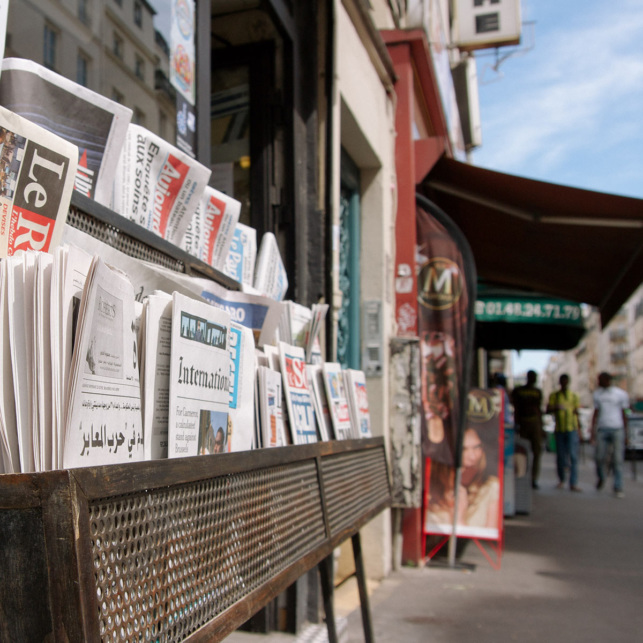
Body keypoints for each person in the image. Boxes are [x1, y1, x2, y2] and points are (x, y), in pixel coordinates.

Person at [591, 372, 630, 497]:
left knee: (617, 460)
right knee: (599, 457)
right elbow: (595, 413)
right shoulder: (597, 394)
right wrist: (592, 431)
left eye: (600, 380)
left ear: (607, 380)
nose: (598, 382)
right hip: (602, 429)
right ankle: (601, 477)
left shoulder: (620, 394)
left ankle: (618, 486)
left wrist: (626, 433)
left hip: (617, 428)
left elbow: (624, 414)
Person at [546, 374, 581, 492]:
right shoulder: (554, 396)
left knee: (573, 456)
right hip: (559, 429)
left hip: (572, 428)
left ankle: (573, 482)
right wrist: (555, 407)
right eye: (562, 381)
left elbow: (577, 412)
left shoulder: (573, 396)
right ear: (560, 382)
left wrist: (579, 430)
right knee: (561, 456)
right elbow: (548, 409)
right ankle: (561, 479)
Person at [460, 427, 500, 530]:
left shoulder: (491, 487)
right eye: (464, 449)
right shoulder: (444, 485)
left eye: (476, 447)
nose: (472, 455)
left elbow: (491, 529)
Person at [512, 370, 543, 489]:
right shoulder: (519, 391)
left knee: (536, 452)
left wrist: (541, 427)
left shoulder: (537, 392)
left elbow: (538, 409)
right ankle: (522, 475)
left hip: (534, 422)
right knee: (522, 452)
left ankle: (533, 478)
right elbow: (517, 408)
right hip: (523, 422)